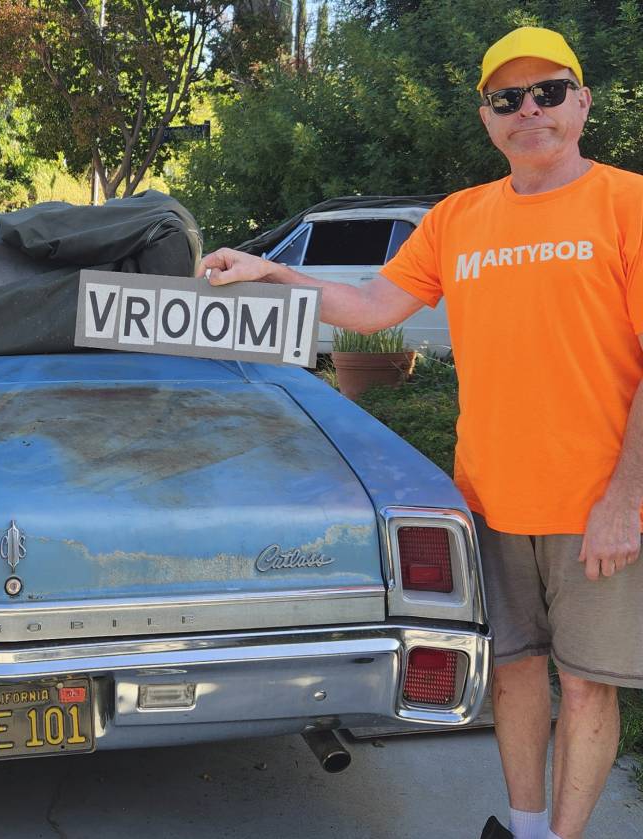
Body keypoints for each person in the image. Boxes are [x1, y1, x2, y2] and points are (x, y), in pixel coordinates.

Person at [197, 26, 643, 839]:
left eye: (547, 92)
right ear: (486, 118)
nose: (528, 110)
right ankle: (526, 828)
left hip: (595, 510)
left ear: (581, 102)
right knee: (513, 671)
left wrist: (624, 499)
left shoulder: (629, 204)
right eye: (507, 98)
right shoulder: (458, 218)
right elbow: (374, 307)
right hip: (488, 499)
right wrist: (275, 273)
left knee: (585, 685)